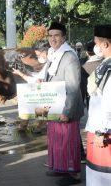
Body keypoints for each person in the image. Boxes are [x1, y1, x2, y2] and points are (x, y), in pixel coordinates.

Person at [44, 22, 84, 185]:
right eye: (50, 35)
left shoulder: (69, 56)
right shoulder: (53, 54)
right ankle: (60, 168)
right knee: (56, 140)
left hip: (67, 108)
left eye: (57, 35)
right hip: (55, 106)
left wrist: (67, 112)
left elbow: (74, 87)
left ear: (63, 37)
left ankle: (74, 174)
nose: (53, 39)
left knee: (68, 142)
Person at [85, 24, 111, 186]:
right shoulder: (105, 64)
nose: (95, 46)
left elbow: (109, 102)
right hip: (99, 127)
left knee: (102, 176)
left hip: (104, 131)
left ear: (105, 44)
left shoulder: (109, 69)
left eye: (96, 42)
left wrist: (101, 131)